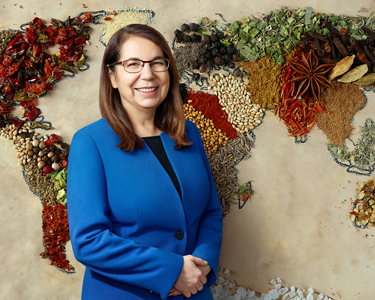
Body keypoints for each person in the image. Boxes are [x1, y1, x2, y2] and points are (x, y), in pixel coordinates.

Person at [67, 24, 223, 300]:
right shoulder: (90, 143)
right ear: (112, 76)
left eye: (157, 63)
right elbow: (89, 242)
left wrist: (201, 267)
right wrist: (173, 271)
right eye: (133, 64)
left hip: (195, 292)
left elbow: (210, 212)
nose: (148, 74)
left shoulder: (189, 133)